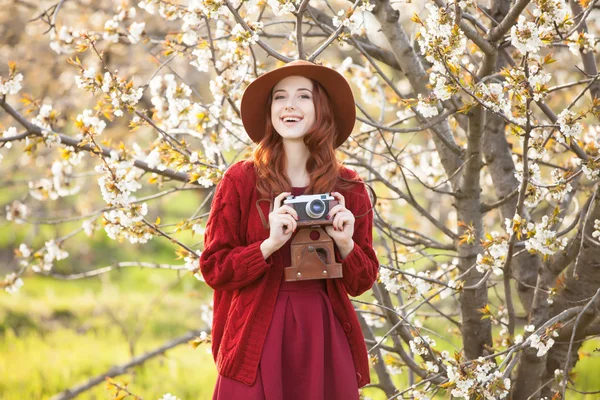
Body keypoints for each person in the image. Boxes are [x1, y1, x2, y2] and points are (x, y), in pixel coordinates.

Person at [199, 59, 380, 400]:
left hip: (322, 331)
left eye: (303, 97)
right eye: (280, 97)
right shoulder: (241, 180)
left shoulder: (348, 186)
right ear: (270, 111)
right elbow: (214, 268)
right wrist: (268, 245)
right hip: (257, 329)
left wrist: (345, 244)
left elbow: (362, 281)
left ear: (321, 108)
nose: (290, 106)